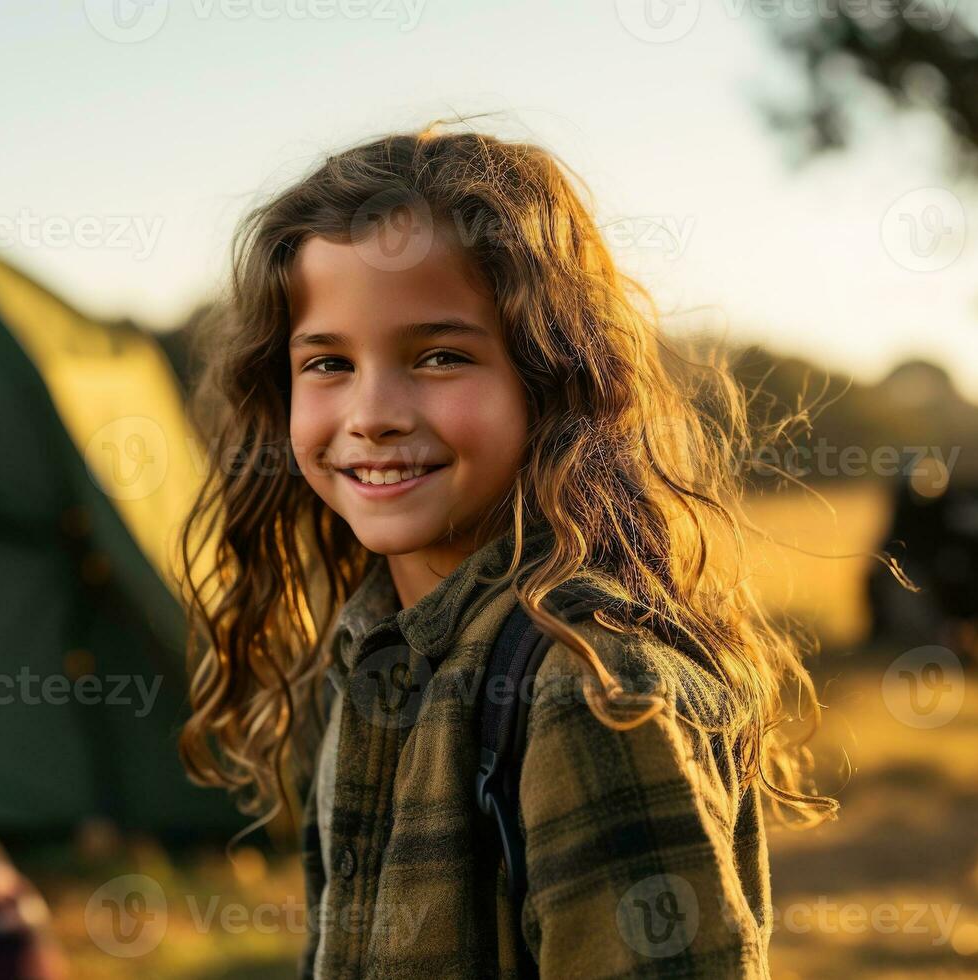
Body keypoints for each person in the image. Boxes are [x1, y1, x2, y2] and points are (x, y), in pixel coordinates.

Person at [175, 121, 839, 979]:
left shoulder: (591, 689)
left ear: (552, 374)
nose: (371, 413)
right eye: (328, 363)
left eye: (441, 355)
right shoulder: (373, 656)